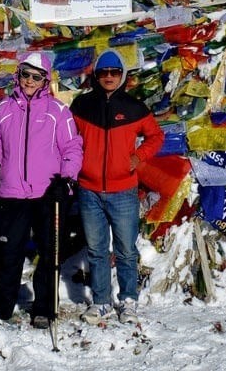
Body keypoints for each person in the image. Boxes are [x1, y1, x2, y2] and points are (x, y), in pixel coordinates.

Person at [0, 52, 84, 329]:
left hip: (48, 193)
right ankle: (1, 306)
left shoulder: (58, 112)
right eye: (25, 74)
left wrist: (67, 178)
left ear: (45, 80)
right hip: (11, 193)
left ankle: (43, 308)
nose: (29, 81)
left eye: (36, 76)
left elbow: (72, 148)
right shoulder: (2, 110)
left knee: (49, 253)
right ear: (18, 75)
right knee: (8, 251)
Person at [71, 50, 162, 325]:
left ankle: (128, 300)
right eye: (103, 73)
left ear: (122, 75)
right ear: (96, 76)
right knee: (97, 250)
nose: (109, 77)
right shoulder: (81, 105)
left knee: (125, 249)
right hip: (89, 190)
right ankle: (101, 303)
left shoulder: (134, 107)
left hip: (124, 191)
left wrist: (138, 157)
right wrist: (75, 164)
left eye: (114, 72)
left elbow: (156, 136)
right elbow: (68, 139)